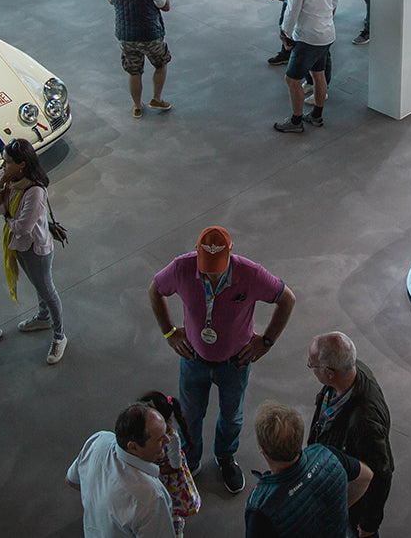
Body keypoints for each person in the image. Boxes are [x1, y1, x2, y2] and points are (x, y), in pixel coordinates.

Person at [148, 226, 297, 494]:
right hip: (194, 359)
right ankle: (190, 461)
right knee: (190, 415)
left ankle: (225, 457)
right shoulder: (182, 268)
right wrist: (170, 333)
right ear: (196, 253)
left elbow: (287, 299)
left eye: (218, 266)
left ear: (231, 252)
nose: (211, 273)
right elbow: (155, 290)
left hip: (235, 363)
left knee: (232, 416)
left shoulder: (251, 274)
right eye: (206, 266)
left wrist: (266, 341)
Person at [307, 332, 394, 538]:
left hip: (352, 507)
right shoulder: (348, 373)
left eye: (312, 366)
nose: (311, 369)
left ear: (329, 372)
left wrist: (368, 526)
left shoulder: (365, 422)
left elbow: (382, 474)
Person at [245, 401, 373, 538]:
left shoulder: (261, 508)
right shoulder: (327, 455)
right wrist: (338, 506)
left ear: (262, 450)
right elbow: (366, 476)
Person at [0, 138, 66, 365]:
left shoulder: (34, 191)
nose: (3, 167)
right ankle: (43, 317)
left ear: (21, 164)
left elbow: (22, 227)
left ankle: (59, 335)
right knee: (37, 285)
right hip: (20, 246)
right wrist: (0, 187)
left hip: (36, 249)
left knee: (47, 289)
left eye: (7, 163)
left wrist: (7, 219)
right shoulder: (12, 183)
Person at [68, 403, 178, 538]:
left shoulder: (98, 441)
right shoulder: (151, 498)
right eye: (159, 439)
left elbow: (71, 480)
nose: (167, 440)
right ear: (133, 447)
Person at [274, 0, 336, 133]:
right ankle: (316, 116)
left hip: (308, 38)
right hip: (327, 34)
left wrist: (285, 35)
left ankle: (296, 121)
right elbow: (334, 3)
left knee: (292, 80)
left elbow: (291, 13)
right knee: (318, 75)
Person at [108, 0, 172, 119]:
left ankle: (137, 106)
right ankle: (156, 99)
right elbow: (166, 6)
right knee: (160, 64)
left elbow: (111, 0)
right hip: (150, 36)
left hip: (126, 38)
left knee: (134, 72)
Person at [138, 391, 201, 537]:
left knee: (172, 505)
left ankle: (176, 524)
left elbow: (175, 465)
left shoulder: (172, 439)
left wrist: (152, 470)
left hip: (169, 479)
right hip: (156, 474)